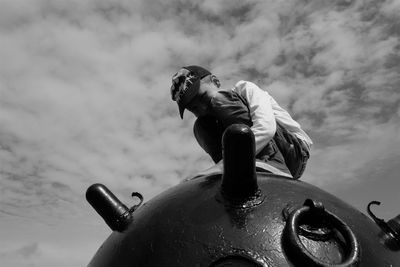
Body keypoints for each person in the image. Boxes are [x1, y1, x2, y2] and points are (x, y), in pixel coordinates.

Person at [170, 65, 312, 179]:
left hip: (292, 150)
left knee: (219, 100)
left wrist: (227, 163)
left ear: (215, 81)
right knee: (201, 125)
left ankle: (271, 164)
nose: (202, 108)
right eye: (193, 108)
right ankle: (233, 172)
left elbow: (266, 128)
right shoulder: (210, 120)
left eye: (202, 98)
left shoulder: (244, 89)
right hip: (242, 157)